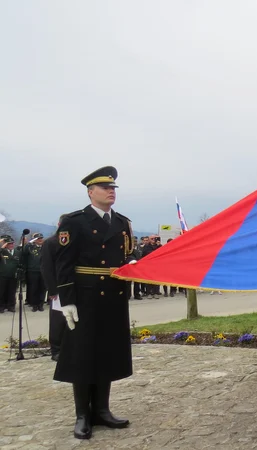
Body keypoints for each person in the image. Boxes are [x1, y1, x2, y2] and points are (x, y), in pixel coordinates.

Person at [54, 166, 136, 439]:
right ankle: (82, 414)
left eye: (113, 188)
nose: (111, 191)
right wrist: (66, 300)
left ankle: (102, 409)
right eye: (105, 188)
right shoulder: (75, 221)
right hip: (85, 295)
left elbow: (124, 258)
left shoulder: (122, 223)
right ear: (91, 192)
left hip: (113, 295)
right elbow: (63, 264)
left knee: (108, 351)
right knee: (83, 354)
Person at [41, 216, 69, 361]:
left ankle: (70, 347)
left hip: (73, 285)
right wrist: (52, 290)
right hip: (58, 287)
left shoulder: (75, 242)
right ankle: (56, 349)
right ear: (59, 225)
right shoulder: (51, 242)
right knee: (58, 319)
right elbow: (47, 268)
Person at [21, 233, 46, 311]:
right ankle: (34, 305)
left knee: (42, 288)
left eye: (41, 238)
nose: (40, 240)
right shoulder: (30, 247)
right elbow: (23, 252)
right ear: (35, 240)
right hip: (33, 271)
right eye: (38, 239)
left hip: (43, 271)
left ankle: (40, 304)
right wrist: (29, 243)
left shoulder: (45, 247)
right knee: (33, 289)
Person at [0, 235, 20, 313]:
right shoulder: (2, 252)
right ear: (6, 244)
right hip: (3, 275)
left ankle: (11, 306)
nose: (11, 245)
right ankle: (1, 306)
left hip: (13, 275)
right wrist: (2, 245)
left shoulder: (17, 252)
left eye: (12, 243)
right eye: (9, 243)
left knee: (12, 292)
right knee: (2, 292)